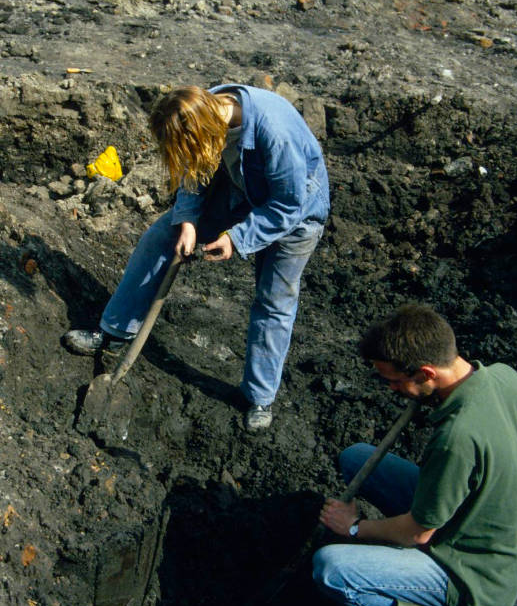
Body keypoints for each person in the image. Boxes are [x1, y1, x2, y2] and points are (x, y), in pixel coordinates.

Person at [64, 84, 330, 431]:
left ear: (207, 133)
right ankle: (115, 331)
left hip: (295, 214)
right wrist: (188, 221)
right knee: (162, 236)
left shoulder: (275, 133)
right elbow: (195, 166)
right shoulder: (204, 107)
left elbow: (287, 204)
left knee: (274, 299)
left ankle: (260, 397)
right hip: (240, 189)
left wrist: (238, 238)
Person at [313, 303, 517, 606]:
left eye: (396, 381)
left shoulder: (457, 438)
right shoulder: (503, 376)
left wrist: (353, 528)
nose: (392, 389)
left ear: (427, 372)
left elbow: (417, 534)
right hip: (484, 521)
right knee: (356, 458)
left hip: (474, 575)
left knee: (331, 570)